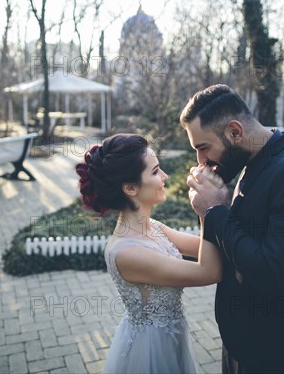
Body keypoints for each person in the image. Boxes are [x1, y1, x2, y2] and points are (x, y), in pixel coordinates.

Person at [182, 85, 284, 374]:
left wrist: (215, 211)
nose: (200, 162)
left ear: (235, 131)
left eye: (203, 148)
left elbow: (272, 273)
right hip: (242, 347)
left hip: (279, 354)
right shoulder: (256, 159)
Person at [75, 134, 223, 374]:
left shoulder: (152, 225)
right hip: (150, 351)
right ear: (130, 187)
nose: (164, 177)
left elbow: (206, 248)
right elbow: (210, 271)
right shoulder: (127, 252)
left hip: (171, 339)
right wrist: (206, 210)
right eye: (155, 172)